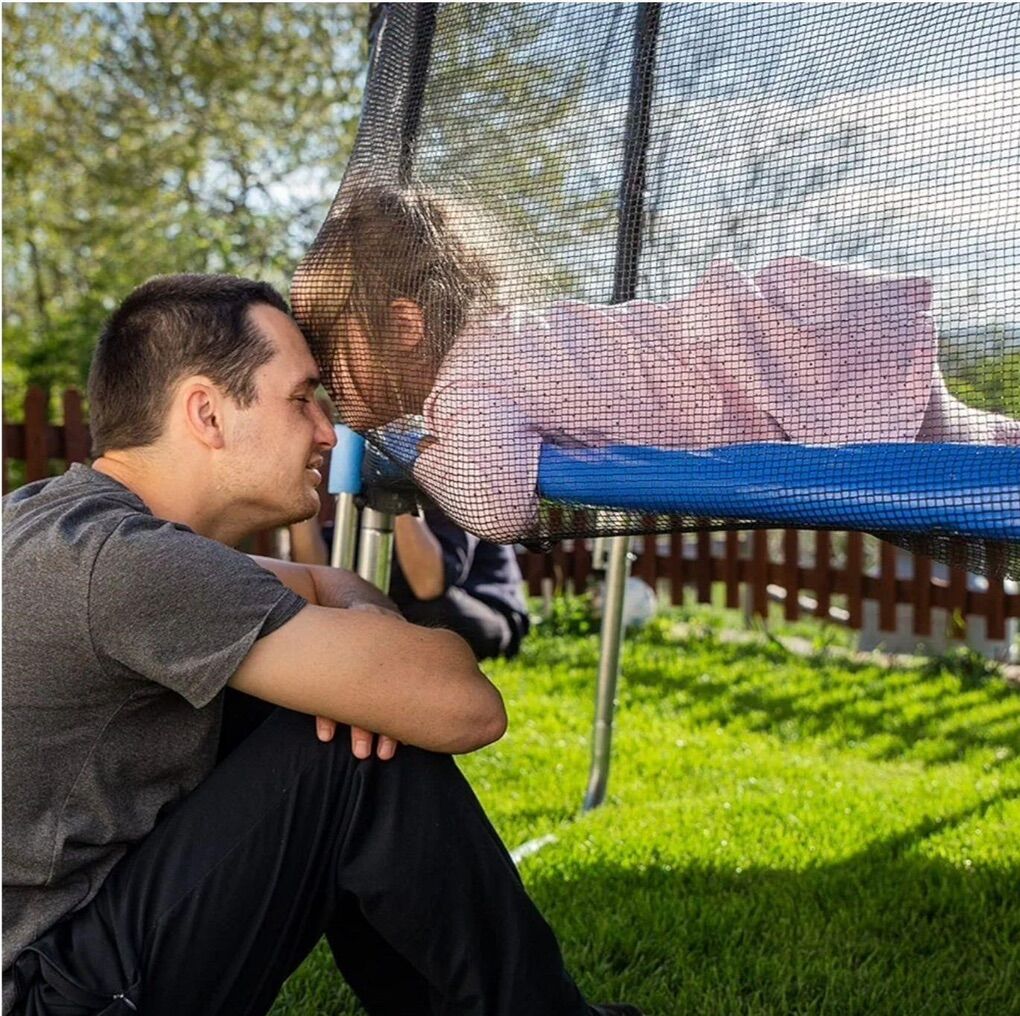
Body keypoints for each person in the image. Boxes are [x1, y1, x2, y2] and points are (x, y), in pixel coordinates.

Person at [1, 274, 642, 1016]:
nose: (329, 432)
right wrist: (370, 677)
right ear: (207, 412)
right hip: (45, 989)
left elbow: (327, 581)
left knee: (337, 707)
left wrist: (360, 658)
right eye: (302, 398)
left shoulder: (58, 522)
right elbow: (465, 706)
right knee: (349, 751)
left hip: (57, 959)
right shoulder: (132, 566)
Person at [290, 182, 1020, 542]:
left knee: (975, 464)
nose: (318, 367)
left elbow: (499, 509)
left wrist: (424, 459)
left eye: (327, 344)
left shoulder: (469, 383)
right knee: (983, 446)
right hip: (777, 351)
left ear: (405, 326)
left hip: (793, 372)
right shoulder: (504, 342)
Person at [290, 507, 530, 660]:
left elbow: (428, 585)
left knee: (426, 611)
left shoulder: (458, 484)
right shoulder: (352, 489)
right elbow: (320, 576)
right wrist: (301, 509)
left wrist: (398, 496)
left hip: (481, 612)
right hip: (405, 606)